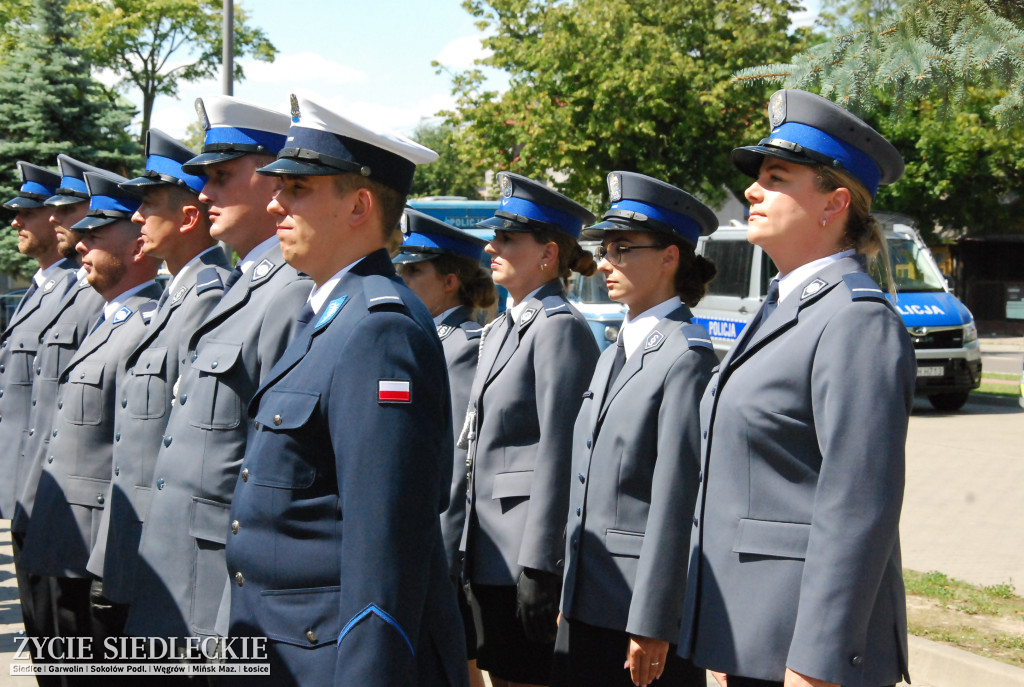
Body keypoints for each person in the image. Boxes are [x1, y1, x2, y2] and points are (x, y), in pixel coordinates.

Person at [223, 93, 466, 686]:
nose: (276, 202)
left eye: (299, 190)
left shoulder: (379, 328)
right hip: (282, 644)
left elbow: (385, 543)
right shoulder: (326, 313)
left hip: (330, 659)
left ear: (359, 204)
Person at [677, 89, 915, 687]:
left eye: (776, 178)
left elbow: (858, 506)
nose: (752, 191)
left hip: (801, 654)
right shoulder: (784, 306)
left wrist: (817, 662)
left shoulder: (856, 318)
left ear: (834, 203)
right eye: (758, 178)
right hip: (752, 637)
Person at [126, 95, 309, 645]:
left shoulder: (290, 291)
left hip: (218, 589)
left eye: (223, 176)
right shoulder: (243, 286)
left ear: (274, 181)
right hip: (178, 574)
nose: (204, 192)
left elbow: (279, 467)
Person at [552, 172, 718, 687]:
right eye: (605, 249)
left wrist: (652, 621)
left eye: (622, 249)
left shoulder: (684, 356)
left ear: (670, 257)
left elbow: (675, 501)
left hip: (633, 614)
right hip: (589, 597)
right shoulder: (616, 349)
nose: (604, 263)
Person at [84, 129, 231, 640]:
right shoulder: (176, 296)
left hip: (166, 547)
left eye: (148, 206)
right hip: (135, 542)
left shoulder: (207, 298)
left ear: (188, 217)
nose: (136, 218)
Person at [18, 169, 164, 669]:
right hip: (67, 535)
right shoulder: (112, 317)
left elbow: (134, 448)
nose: (80, 246)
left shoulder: (146, 323)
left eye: (96, 237)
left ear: (137, 249)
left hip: (97, 545)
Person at [460, 172, 600, 687]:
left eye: (507, 238)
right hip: (487, 548)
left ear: (547, 254)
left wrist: (542, 565)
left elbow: (561, 451)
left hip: (522, 556)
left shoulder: (558, 327)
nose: (491, 246)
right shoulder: (502, 326)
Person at [394, 208, 496, 687]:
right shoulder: (430, 337)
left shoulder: (460, 346)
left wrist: (444, 550)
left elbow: (457, 456)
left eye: (415, 270)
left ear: (451, 281)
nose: (403, 277)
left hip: (439, 542)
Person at [0, 160, 80, 685]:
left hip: (59, 504)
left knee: (67, 650)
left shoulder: (80, 290)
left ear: (56, 219)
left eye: (27, 212)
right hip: (26, 494)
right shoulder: (42, 288)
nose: (16, 223)